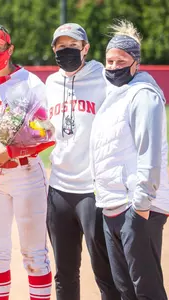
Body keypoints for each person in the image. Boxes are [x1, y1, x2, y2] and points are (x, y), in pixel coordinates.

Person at [90, 19, 169, 300]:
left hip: (137, 207)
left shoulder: (144, 96)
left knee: (146, 290)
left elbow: (150, 155)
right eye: (109, 61)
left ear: (135, 63)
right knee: (125, 290)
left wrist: (141, 207)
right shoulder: (115, 96)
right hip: (113, 204)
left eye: (120, 61)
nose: (113, 67)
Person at [0, 23, 52, 300]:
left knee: (34, 255)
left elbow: (48, 133)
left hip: (26, 175)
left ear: (10, 49)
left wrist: (12, 152)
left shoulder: (30, 83)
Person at [45, 23, 120, 300]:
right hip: (59, 189)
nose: (66, 51)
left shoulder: (104, 78)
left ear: (85, 48)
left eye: (73, 46)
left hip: (93, 190)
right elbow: (46, 129)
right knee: (64, 273)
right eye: (60, 47)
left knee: (105, 271)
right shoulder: (51, 83)